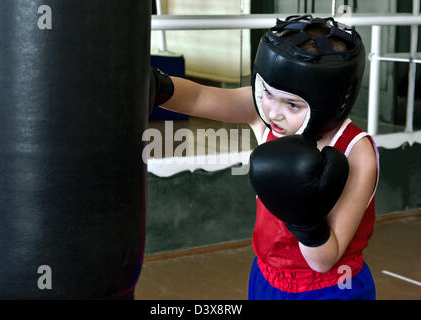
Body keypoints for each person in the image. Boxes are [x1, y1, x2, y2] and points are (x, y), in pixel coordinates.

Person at [149, 15, 379, 300]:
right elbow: (197, 98)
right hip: (267, 278)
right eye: (268, 94)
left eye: (293, 105)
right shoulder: (265, 113)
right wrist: (151, 85)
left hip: (331, 286)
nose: (274, 112)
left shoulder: (356, 152)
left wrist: (305, 219)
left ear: (332, 101)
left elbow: (323, 261)